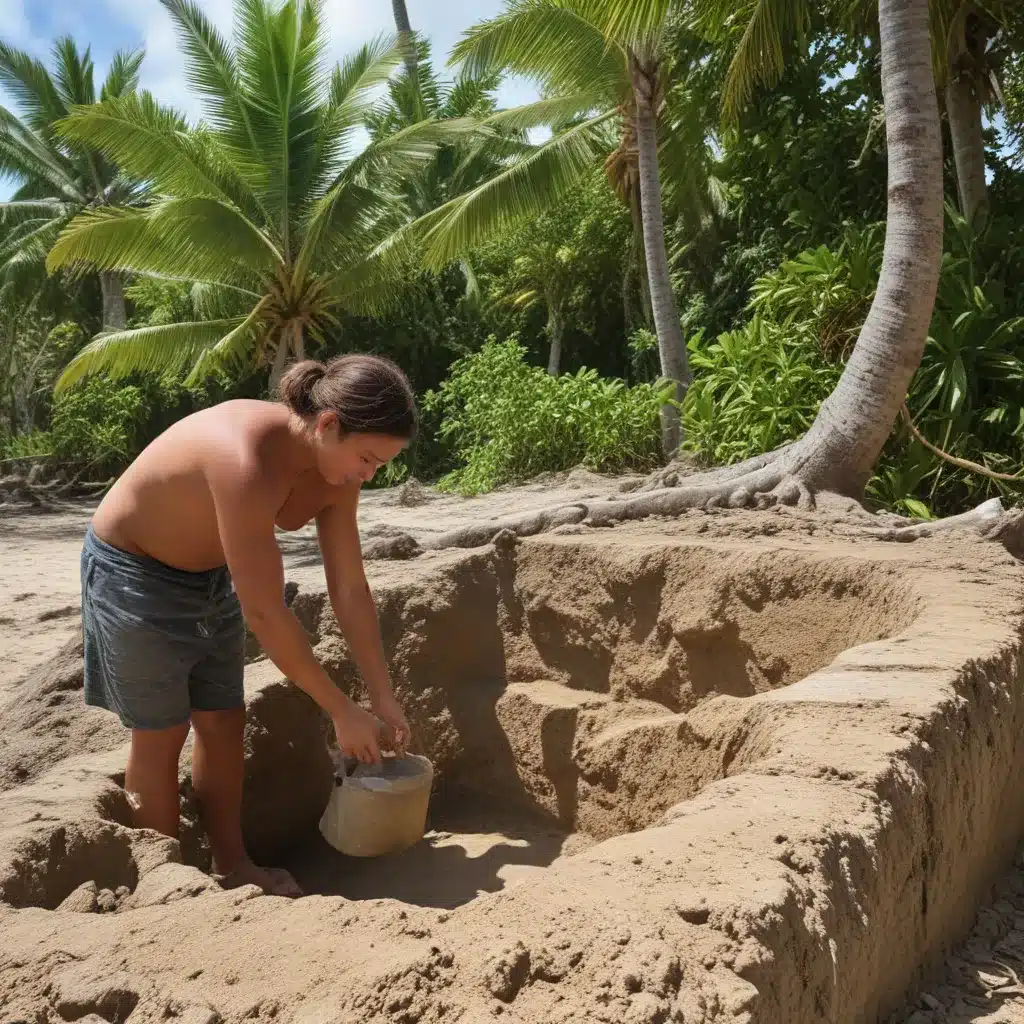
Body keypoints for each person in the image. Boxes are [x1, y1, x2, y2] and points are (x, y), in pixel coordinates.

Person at [80, 354, 417, 897]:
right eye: (367, 458)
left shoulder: (338, 471)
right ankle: (164, 888)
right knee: (161, 733)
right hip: (133, 571)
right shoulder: (242, 459)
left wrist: (380, 697)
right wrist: (339, 710)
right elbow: (264, 611)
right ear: (328, 425)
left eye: (379, 465)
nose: (369, 473)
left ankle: (233, 867)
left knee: (224, 721)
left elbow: (350, 589)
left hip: (210, 572)